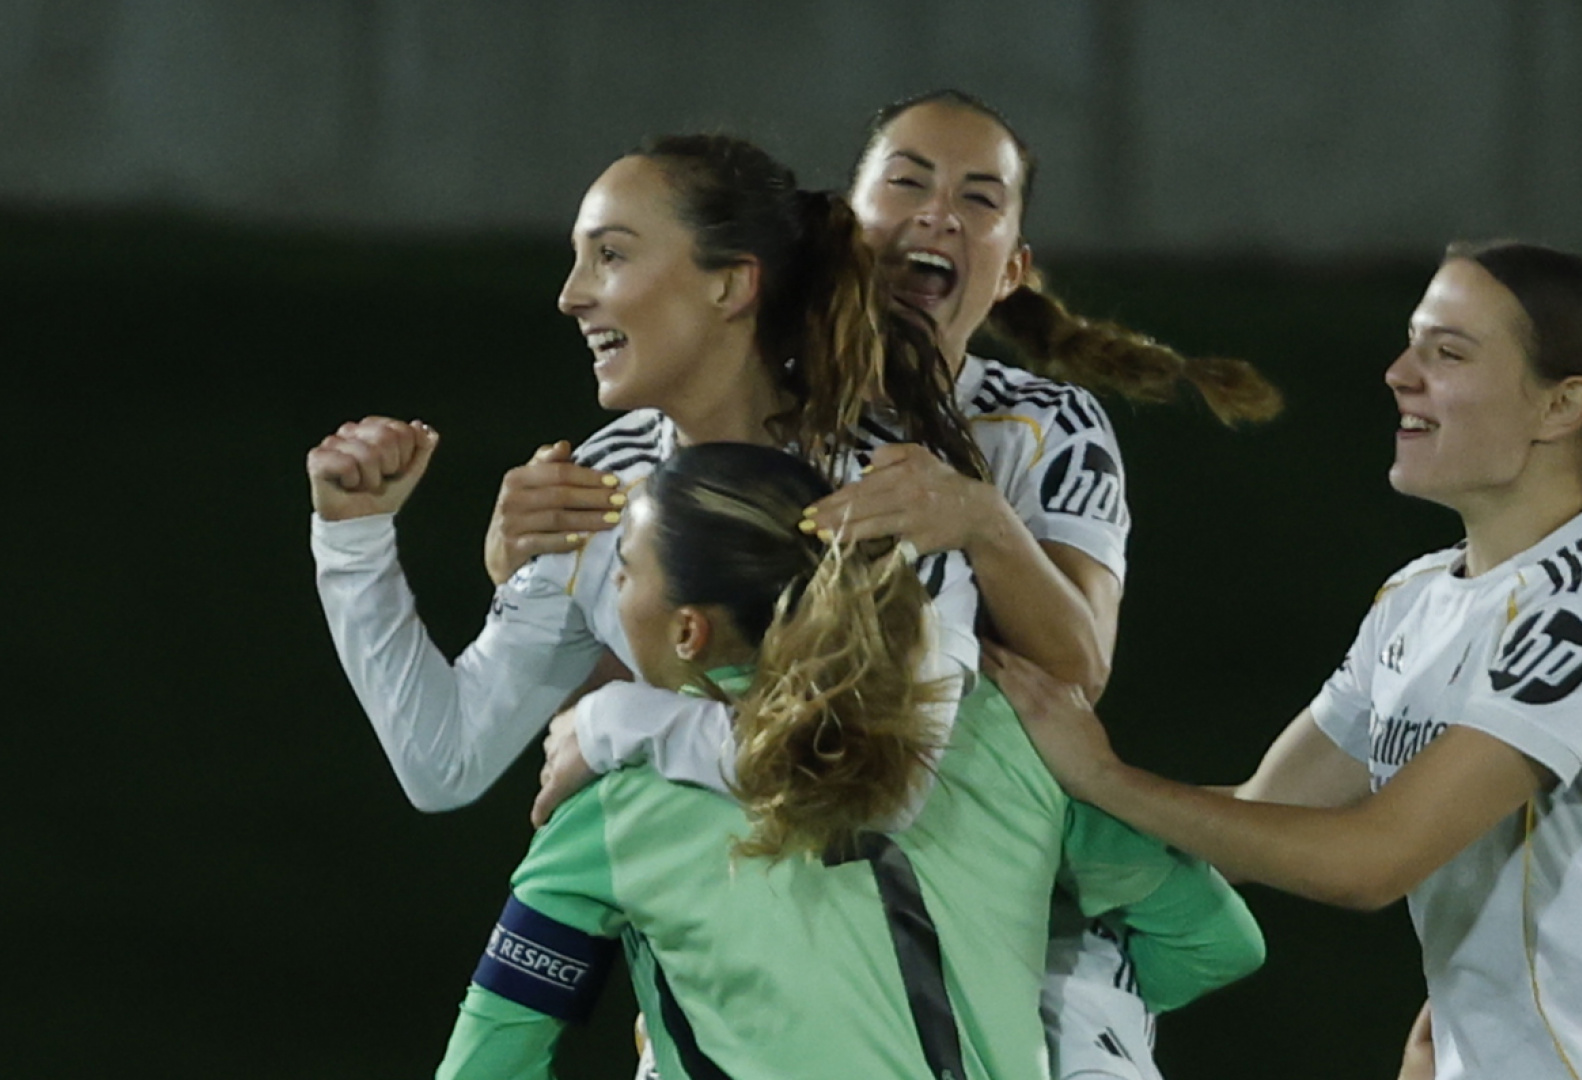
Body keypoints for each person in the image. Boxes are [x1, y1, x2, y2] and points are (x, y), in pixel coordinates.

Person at [490, 91, 1281, 1080]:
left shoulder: (1041, 423)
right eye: (907, 182)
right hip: (771, 877)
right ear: (843, 228)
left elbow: (1077, 669)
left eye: (979, 198)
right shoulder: (722, 414)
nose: (938, 214)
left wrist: (984, 523)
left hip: (982, 869)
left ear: (1013, 268)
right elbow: (648, 658)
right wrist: (520, 575)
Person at [992, 241, 1582, 1079]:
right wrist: (1007, 842)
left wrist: (1102, 777)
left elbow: (1369, 861)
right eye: (1412, 344)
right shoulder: (1416, 598)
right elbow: (1264, 816)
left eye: (1448, 353)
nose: (1400, 374)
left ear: (1561, 406)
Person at [433, 443, 1265, 1079]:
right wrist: (1011, 986)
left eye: (622, 575)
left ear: (689, 630)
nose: (613, 596)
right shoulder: (1006, 738)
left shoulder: (610, 807)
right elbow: (1216, 944)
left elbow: (488, 1061)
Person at [308, 133, 985, 816]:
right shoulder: (596, 488)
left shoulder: (888, 487)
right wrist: (354, 542)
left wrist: (617, 721)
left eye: (610, 255)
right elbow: (446, 760)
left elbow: (887, 783)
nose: (570, 296)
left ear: (730, 284)